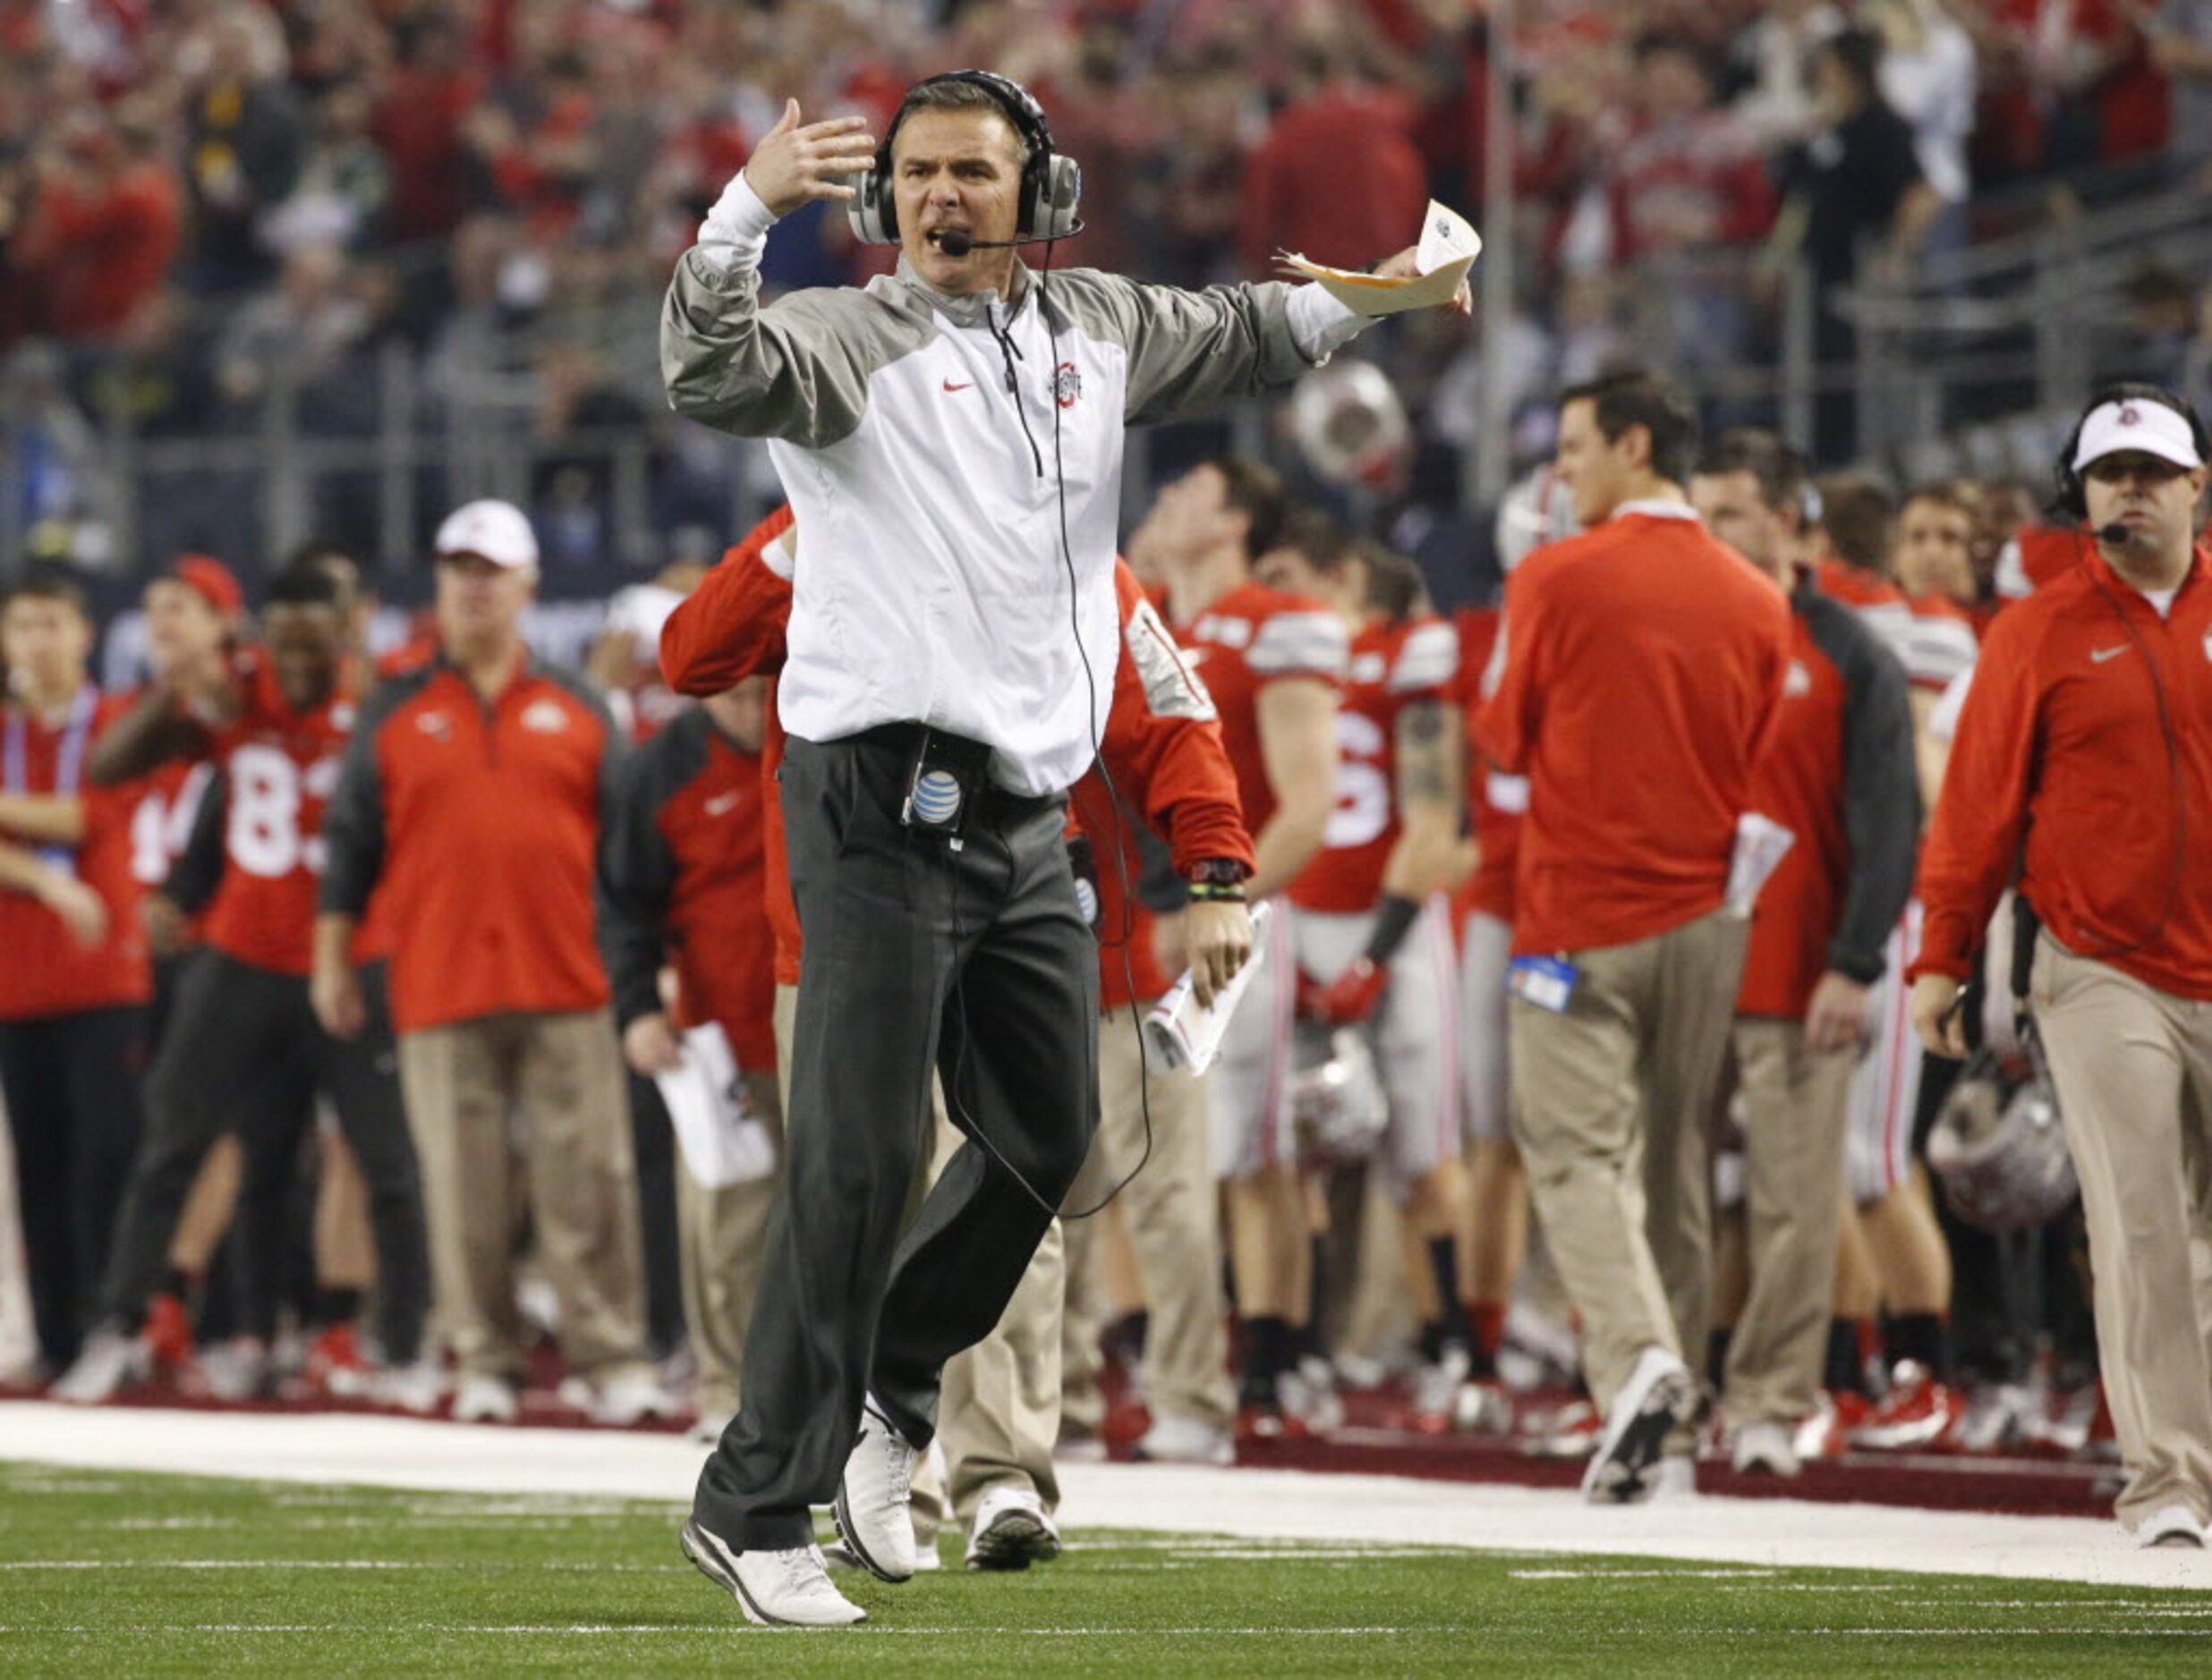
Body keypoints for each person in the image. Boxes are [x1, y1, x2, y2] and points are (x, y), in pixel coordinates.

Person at [659, 67, 1459, 1626]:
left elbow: (1247, 330)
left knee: (1054, 1131)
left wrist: (1394, 289)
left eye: (972, 170)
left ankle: (894, 1385)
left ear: (1042, 192)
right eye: (916, 174)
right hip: (872, 795)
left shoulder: (1091, 327)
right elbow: (704, 367)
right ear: (883, 202)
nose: (942, 197)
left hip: (1026, 806)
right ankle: (752, 1499)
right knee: (861, 1157)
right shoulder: (840, 339)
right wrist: (748, 204)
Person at [1473, 369, 1792, 1504]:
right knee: (1677, 1172)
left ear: (1635, 443)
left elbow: (1503, 739)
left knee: (1574, 1156)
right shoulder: (1759, 598)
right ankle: (1673, 1435)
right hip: (1706, 919)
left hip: (1575, 919)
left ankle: (1637, 1366)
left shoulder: (1555, 576)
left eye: (1574, 447)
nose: (1562, 471)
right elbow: (1761, 749)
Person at [1910, 384, 2212, 1549]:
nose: (2127, 488)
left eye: (2150, 469)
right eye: (2106, 473)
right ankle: (2169, 1478)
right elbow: (1978, 811)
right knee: (2139, 1221)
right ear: (2079, 495)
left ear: (2197, 484)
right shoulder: (2034, 630)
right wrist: (1942, 956)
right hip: (2098, 963)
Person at [315, 498, 669, 1430]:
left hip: (571, 976)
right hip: (438, 977)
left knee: (588, 1177)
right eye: (458, 568)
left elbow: (633, 855)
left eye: (491, 569)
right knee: (461, 1185)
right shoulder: (394, 707)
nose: (473, 585)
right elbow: (350, 842)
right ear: (439, 581)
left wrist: (648, 966)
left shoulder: (582, 706)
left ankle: (613, 1354)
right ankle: (485, 1358)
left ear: (527, 586)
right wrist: (331, 959)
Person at [56, 561, 436, 1411]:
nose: (297, 660)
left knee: (389, 1165)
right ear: (264, 635)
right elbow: (112, 764)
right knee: (181, 1145)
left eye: (315, 639)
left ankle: (406, 1346)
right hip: (244, 956)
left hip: (356, 957)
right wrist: (179, 689)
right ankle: (125, 1327)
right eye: (285, 639)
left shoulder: (381, 700)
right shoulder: (237, 689)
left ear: (345, 630)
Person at [1689, 430, 1918, 1477]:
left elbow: (1890, 820)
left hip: (1795, 965)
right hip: (1682, 963)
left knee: (1795, 1199)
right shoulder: (1680, 634)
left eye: (1728, 513)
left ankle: (1775, 1400)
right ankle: (1673, 1385)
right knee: (1668, 1190)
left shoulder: (1849, 649)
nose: (1707, 533)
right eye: (1700, 512)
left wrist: (1855, 960)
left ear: (1787, 520)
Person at [1137, 469, 1345, 1439]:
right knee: (1139, 1154)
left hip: (1231, 918)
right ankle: (1147, 1357)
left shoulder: (1274, 622)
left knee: (1249, 1154)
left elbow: (1306, 808)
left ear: (1234, 523)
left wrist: (1219, 903)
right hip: (1138, 915)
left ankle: (1265, 1370)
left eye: (1189, 493)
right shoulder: (1139, 615)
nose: (1165, 503)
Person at [1260, 533, 1471, 1432]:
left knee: (1422, 1153)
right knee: (1287, 1147)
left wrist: (1374, 955)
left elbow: (1434, 821)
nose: (1269, 602)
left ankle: (1456, 1346)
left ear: (1339, 577)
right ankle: (1296, 1352)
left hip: (1395, 923)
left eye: (1284, 579)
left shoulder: (1405, 661)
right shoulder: (1268, 663)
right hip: (1292, 919)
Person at [600, 671, 781, 1447]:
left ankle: (851, 1398)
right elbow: (623, 902)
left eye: (763, 693)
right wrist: (638, 1006)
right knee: (727, 1228)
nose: (750, 713)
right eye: (734, 695)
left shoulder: (822, 740)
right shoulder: (662, 770)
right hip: (717, 1033)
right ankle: (728, 1391)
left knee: (851, 1218)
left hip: (827, 1026)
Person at [0, 573, 149, 1378]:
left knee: (108, 1158)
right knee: (39, 1166)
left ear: (84, 634)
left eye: (52, 623)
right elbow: (54, 834)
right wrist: (49, 881)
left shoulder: (116, 724)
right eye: (23, 626)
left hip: (103, 976)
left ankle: (115, 1325)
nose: (37, 642)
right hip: (17, 983)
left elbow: (87, 814)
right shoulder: (4, 732)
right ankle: (57, 1338)